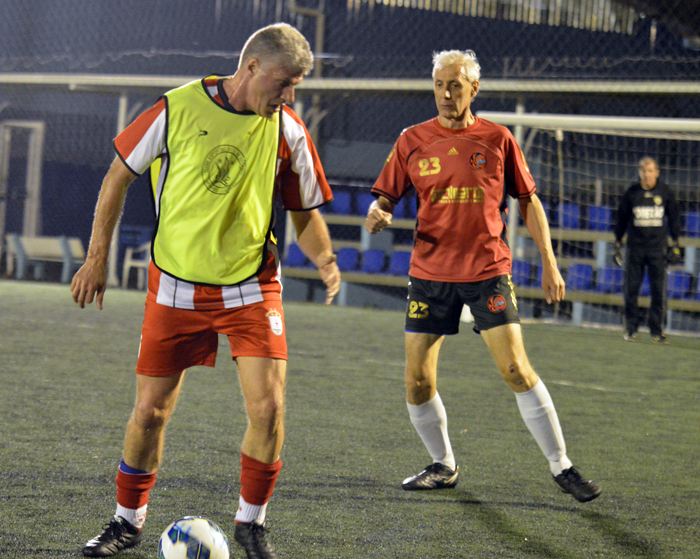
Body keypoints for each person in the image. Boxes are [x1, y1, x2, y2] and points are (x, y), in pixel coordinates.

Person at [71, 23, 340, 559]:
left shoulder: (288, 130)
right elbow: (117, 176)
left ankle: (251, 523)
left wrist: (327, 260)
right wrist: (96, 256)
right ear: (253, 68)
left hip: (251, 289)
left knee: (269, 408)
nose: (291, 97)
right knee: (150, 413)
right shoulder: (176, 108)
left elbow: (303, 210)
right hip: (173, 285)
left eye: (298, 88)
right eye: (286, 83)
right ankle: (127, 522)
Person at [364, 49, 601, 503]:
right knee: (417, 382)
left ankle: (561, 465)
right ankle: (444, 464)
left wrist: (550, 261)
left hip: (487, 270)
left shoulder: (498, 139)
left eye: (456, 85)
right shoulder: (412, 140)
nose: (446, 94)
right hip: (430, 273)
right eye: (439, 85)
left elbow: (529, 202)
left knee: (515, 368)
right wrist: (377, 213)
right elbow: (384, 200)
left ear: (475, 88)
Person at [613, 156, 681, 344]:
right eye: (643, 171)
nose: (647, 175)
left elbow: (674, 217)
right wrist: (617, 242)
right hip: (635, 249)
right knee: (631, 290)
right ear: (639, 173)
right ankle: (630, 329)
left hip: (657, 250)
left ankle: (657, 331)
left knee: (658, 291)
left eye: (650, 171)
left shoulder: (665, 192)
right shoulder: (632, 193)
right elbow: (622, 218)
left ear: (657, 172)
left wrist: (676, 244)